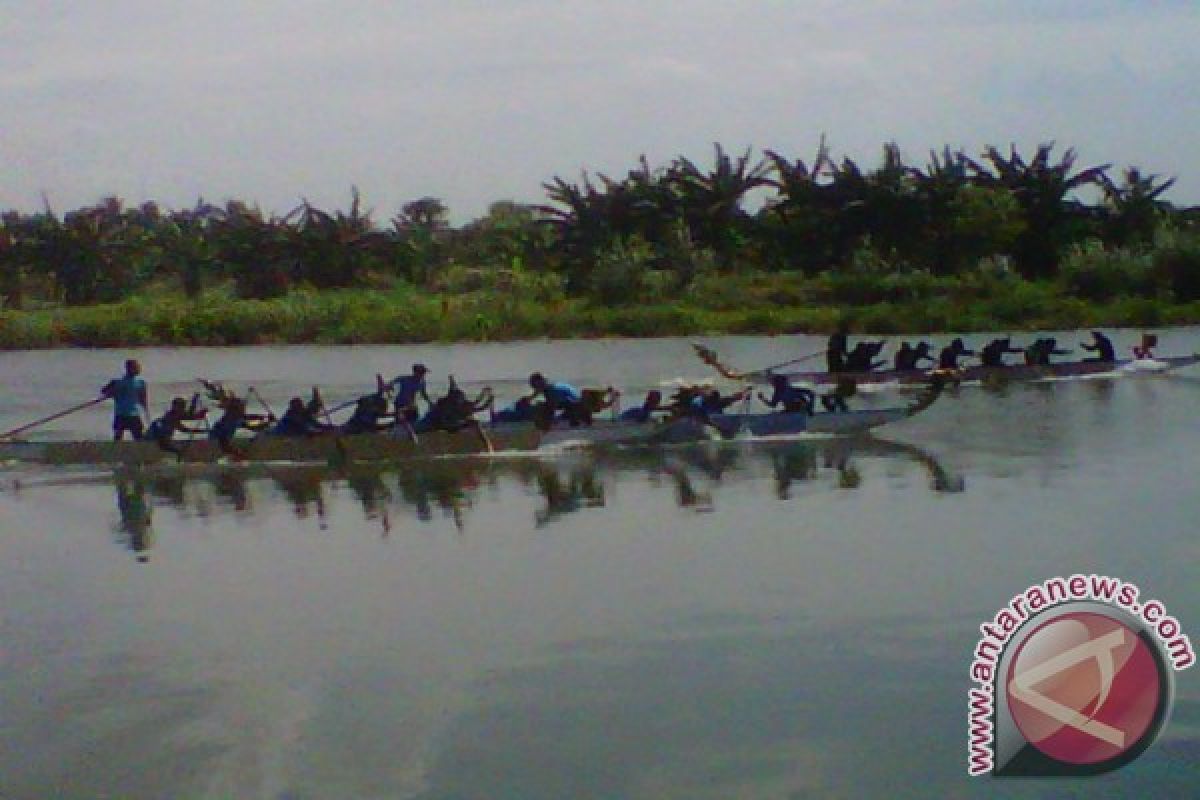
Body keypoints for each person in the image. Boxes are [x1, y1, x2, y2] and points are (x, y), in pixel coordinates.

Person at [208, 396, 273, 458]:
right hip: (219, 449)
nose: (244, 409)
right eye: (242, 408)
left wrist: (264, 417)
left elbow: (248, 418)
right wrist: (266, 422)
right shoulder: (232, 422)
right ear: (235, 409)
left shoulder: (228, 419)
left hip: (219, 446)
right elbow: (251, 425)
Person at [101, 359, 148, 441]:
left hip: (133, 413)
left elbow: (143, 399)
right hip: (121, 413)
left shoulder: (141, 383)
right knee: (118, 437)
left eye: (138, 367)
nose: (138, 369)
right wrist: (112, 392)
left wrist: (146, 409)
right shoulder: (117, 382)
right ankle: (114, 451)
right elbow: (104, 391)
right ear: (128, 369)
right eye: (136, 367)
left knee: (139, 437)